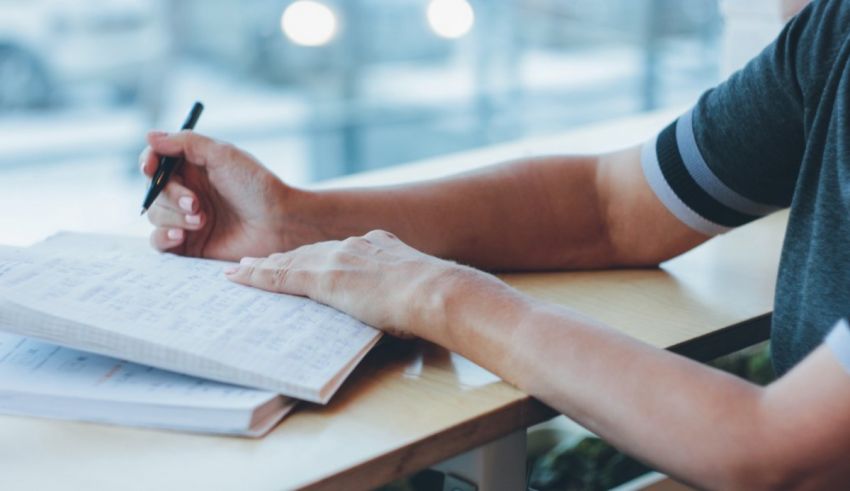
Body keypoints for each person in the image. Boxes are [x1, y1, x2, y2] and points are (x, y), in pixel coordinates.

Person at [140, 1, 848, 488]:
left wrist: (437, 294)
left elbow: (776, 454)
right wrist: (295, 219)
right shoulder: (831, 35)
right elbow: (612, 204)